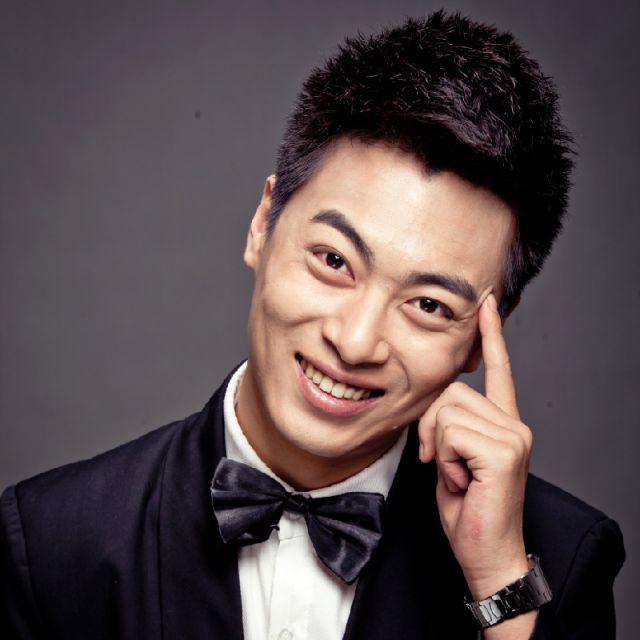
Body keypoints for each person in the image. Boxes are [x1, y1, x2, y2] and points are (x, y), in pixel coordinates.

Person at [0, 11, 625, 640]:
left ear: (483, 337)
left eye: (429, 305)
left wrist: (498, 582)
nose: (354, 343)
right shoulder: (52, 541)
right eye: (333, 260)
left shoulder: (560, 559)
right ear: (263, 224)